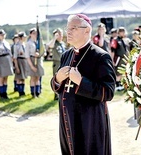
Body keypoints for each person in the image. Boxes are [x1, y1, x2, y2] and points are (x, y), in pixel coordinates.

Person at [50, 14, 116, 155]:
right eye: (67, 28)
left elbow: (108, 92)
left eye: (73, 28)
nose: (68, 32)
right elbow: (56, 86)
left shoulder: (100, 56)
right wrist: (57, 78)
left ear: (87, 30)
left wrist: (81, 81)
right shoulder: (66, 55)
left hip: (90, 122)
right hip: (67, 119)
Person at [0, 29, 14, 99]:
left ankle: (5, 92)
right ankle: (1, 93)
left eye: (3, 35)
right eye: (1, 35)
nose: (2, 36)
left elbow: (10, 53)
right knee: (1, 77)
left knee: (6, 77)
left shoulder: (7, 43)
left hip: (7, 60)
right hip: (0, 60)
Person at [25, 28, 44, 98]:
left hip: (38, 60)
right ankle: (33, 93)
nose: (35, 35)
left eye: (36, 33)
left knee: (38, 77)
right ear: (30, 34)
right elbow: (27, 56)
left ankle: (38, 92)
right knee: (33, 78)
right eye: (33, 33)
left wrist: (39, 53)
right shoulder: (28, 43)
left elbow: (43, 51)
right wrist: (32, 66)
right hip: (32, 60)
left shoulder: (39, 42)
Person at [47, 28, 66, 100]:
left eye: (61, 34)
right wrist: (55, 38)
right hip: (57, 62)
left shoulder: (62, 43)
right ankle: (56, 95)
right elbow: (50, 46)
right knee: (57, 78)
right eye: (59, 34)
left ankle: (62, 93)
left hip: (63, 62)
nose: (61, 36)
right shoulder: (54, 43)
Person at [110, 27, 129, 91]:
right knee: (118, 72)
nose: (123, 33)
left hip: (123, 58)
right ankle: (117, 85)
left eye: (123, 31)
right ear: (119, 32)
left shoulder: (123, 40)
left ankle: (120, 84)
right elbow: (112, 51)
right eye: (121, 31)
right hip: (118, 58)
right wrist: (112, 60)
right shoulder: (115, 40)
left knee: (122, 72)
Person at [13, 32, 28, 97]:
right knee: (19, 77)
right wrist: (17, 67)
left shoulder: (25, 44)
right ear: (20, 37)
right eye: (24, 37)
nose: (25, 38)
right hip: (19, 61)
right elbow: (15, 57)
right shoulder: (16, 46)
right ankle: (20, 91)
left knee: (23, 77)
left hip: (24, 61)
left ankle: (23, 90)